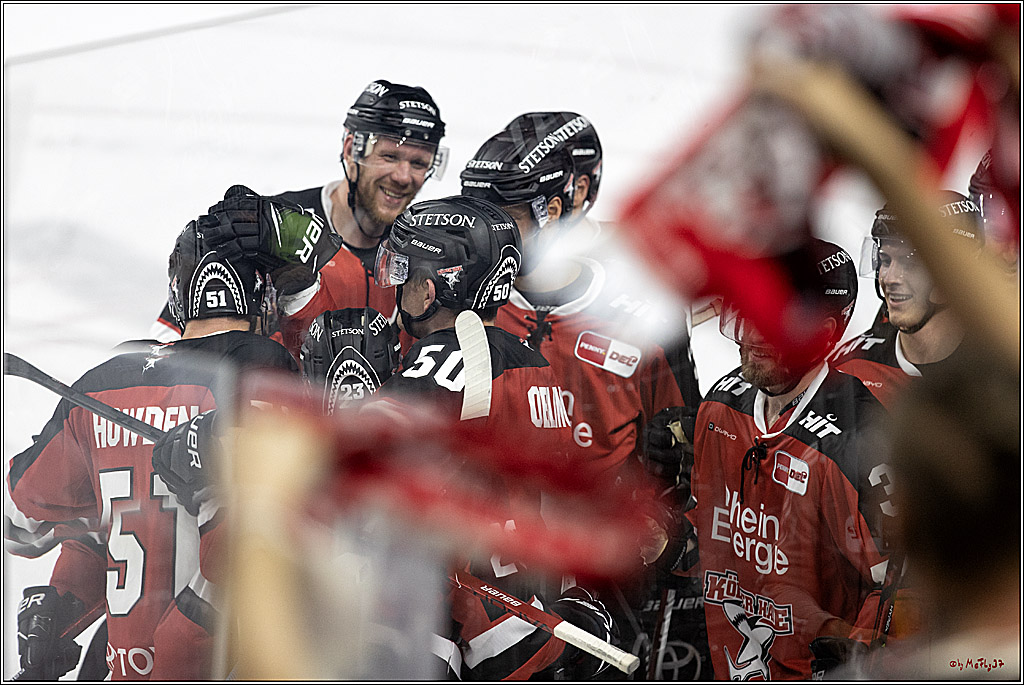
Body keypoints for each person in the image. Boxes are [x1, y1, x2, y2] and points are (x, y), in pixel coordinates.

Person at [7, 205, 299, 680]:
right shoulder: (265, 371)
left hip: (123, 668)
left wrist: (59, 601)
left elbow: (19, 522)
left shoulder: (104, 384)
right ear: (258, 296)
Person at [370, 194, 615, 680]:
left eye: (404, 272)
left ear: (428, 289)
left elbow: (354, 474)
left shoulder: (435, 365)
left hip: (459, 616)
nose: (395, 286)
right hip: (528, 616)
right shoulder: (536, 365)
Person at [683, 238, 894, 680]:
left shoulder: (862, 440)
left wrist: (863, 653)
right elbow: (707, 528)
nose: (755, 336)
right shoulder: (722, 403)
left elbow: (904, 581)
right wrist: (667, 541)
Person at [150, 79, 447, 357]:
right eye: (389, 156)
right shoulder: (274, 222)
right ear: (350, 149)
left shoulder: (424, 248)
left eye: (419, 163)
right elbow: (167, 343)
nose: (403, 176)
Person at [830, 191, 984, 408]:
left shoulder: (1004, 371)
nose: (890, 278)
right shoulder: (847, 369)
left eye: (910, 263)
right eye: (884, 260)